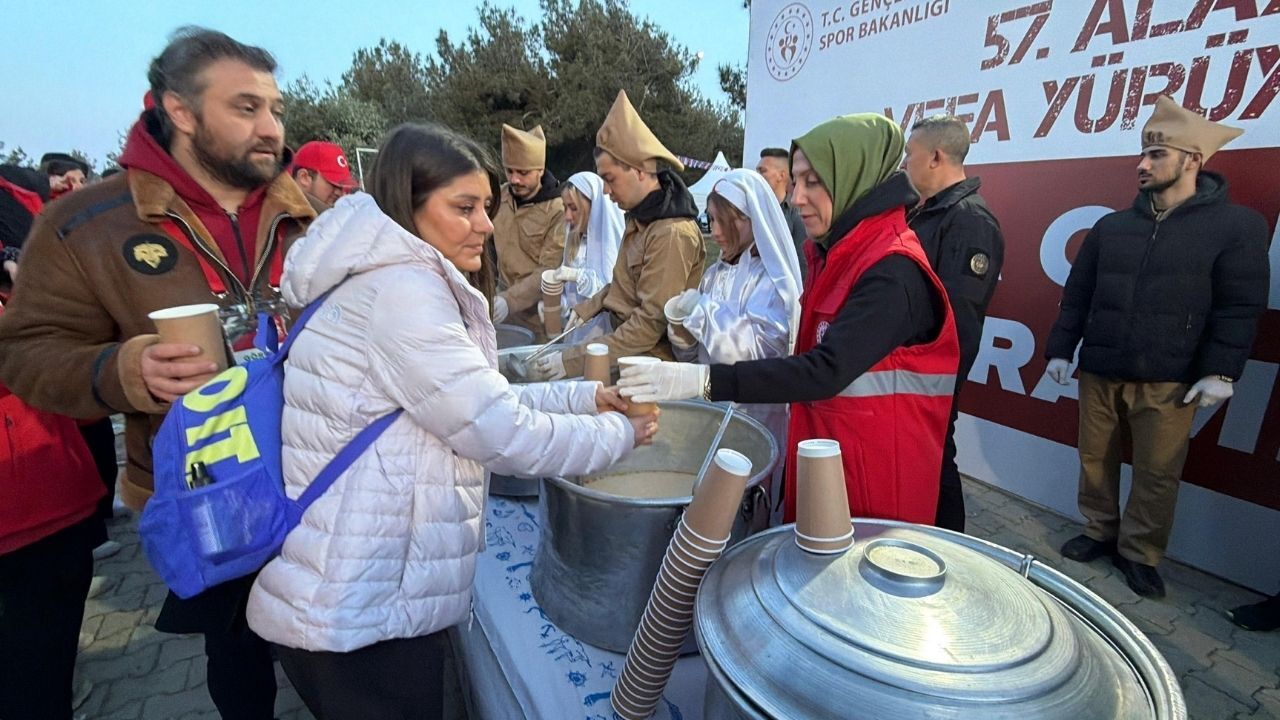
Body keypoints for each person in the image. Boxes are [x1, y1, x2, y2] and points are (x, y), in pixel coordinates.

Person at [246, 122, 656, 720]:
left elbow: (474, 399)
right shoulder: (403, 293)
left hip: (357, 585)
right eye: (464, 208)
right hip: (360, 600)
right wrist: (621, 434)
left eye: (486, 207)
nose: (485, 226)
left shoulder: (377, 274)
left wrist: (586, 399)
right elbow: (501, 432)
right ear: (406, 205)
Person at [0, 27, 320, 718]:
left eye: (276, 107)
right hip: (204, 490)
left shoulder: (308, 210)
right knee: (235, 656)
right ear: (180, 111)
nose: (273, 128)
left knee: (328, 647)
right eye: (246, 108)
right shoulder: (87, 224)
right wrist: (122, 369)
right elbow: (23, 352)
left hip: (317, 472)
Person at [619, 113, 958, 525]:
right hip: (828, 469)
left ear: (853, 177)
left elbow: (823, 371)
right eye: (795, 181)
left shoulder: (892, 272)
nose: (796, 198)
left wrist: (705, 380)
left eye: (813, 181)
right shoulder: (835, 256)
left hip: (874, 494)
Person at [1046, 95, 1269, 598]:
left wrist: (1222, 370)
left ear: (1193, 159)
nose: (1142, 165)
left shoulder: (1236, 227)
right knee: (1094, 458)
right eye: (1143, 155)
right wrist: (1062, 349)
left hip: (1171, 376)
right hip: (1102, 367)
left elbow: (1239, 306)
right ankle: (1099, 530)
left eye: (1157, 155)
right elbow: (1077, 295)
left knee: (1157, 472)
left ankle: (1139, 553)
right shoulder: (1111, 227)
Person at [529, 89, 705, 380]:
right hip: (622, 351)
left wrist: (573, 359)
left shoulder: (671, 234)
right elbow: (623, 284)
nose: (606, 192)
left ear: (638, 171)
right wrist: (589, 306)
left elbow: (648, 326)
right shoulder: (640, 220)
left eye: (610, 180)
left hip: (645, 368)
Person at [666, 168, 802, 522]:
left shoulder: (773, 281)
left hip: (755, 421)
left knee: (742, 508)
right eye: (712, 220)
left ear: (750, 219)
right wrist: (682, 338)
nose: (718, 232)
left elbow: (759, 351)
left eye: (726, 221)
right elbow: (701, 356)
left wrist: (701, 312)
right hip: (712, 412)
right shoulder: (716, 274)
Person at [903, 114, 1005, 533]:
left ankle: (951, 546)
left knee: (936, 457)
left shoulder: (969, 221)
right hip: (908, 367)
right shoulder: (925, 212)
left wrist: (935, 380)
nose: (904, 164)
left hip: (931, 375)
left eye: (910, 155)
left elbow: (958, 318)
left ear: (936, 157)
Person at [490, 124, 565, 335]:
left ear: (540, 170)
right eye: (509, 171)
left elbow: (548, 271)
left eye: (523, 173)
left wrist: (510, 300)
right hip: (499, 313)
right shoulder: (500, 197)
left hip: (539, 319)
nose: (514, 179)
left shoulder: (557, 210)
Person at [546, 171, 624, 343]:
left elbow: (613, 289)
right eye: (565, 207)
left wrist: (576, 275)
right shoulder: (576, 240)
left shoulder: (609, 239)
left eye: (574, 208)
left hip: (604, 333)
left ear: (593, 206)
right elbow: (572, 295)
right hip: (577, 333)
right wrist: (558, 305)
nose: (567, 216)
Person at [756, 147, 807, 279]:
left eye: (763, 171)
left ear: (781, 175)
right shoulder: (754, 211)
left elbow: (803, 263)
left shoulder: (797, 214)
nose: (757, 176)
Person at [290, 140, 358, 208]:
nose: (339, 193)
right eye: (333, 184)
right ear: (304, 177)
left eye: (341, 187)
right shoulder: (284, 213)